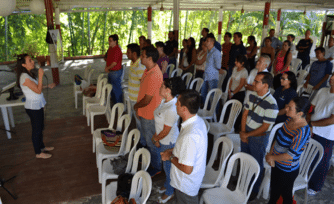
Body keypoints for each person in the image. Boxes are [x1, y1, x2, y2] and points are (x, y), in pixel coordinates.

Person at [161, 90, 207, 204]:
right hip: (185, 183)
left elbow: (187, 169)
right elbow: (189, 149)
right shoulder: (197, 121)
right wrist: (172, 150)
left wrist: (169, 156)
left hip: (185, 186)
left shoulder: (190, 135)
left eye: (178, 103)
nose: (175, 104)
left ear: (184, 109)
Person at [240, 72, 279, 200]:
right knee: (245, 159)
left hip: (258, 137)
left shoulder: (272, 104)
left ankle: (254, 190)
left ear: (265, 85)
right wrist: (242, 131)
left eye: (257, 82)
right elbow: (245, 114)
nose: (253, 83)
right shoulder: (252, 95)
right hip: (247, 133)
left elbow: (265, 127)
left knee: (256, 163)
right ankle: (243, 184)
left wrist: (246, 134)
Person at [266, 97, 311, 204]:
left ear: (299, 113)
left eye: (290, 108)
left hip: (287, 170)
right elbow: (278, 138)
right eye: (287, 106)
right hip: (276, 164)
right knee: (274, 193)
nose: (286, 109)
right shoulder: (289, 120)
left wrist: (271, 157)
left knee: (286, 197)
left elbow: (290, 155)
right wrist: (271, 154)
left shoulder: (302, 131)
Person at [152, 77, 186, 203]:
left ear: (168, 90)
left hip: (169, 142)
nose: (159, 87)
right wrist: (156, 137)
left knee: (169, 168)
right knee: (166, 167)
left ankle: (170, 192)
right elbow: (160, 124)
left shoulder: (172, 107)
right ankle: (167, 185)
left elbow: (166, 130)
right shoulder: (165, 101)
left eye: (162, 86)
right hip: (162, 140)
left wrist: (155, 138)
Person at [16, 54, 56, 159]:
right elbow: (38, 91)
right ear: (24, 64)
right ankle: (38, 153)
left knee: (40, 127)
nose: (33, 62)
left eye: (32, 60)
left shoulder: (29, 74)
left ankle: (42, 147)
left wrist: (47, 85)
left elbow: (36, 86)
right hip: (33, 108)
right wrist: (41, 76)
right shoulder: (24, 77)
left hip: (38, 105)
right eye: (30, 61)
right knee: (36, 130)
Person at [134, 46, 163, 175]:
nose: (141, 57)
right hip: (145, 112)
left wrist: (136, 107)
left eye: (143, 55)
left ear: (149, 58)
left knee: (153, 142)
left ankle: (157, 167)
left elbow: (147, 99)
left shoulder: (154, 75)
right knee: (149, 139)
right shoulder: (148, 70)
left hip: (150, 114)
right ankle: (152, 161)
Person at [307, 72, 334, 195]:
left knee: (322, 161)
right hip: (312, 129)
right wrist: (308, 120)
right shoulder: (323, 90)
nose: (331, 78)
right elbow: (311, 107)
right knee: (309, 156)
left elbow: (331, 120)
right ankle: (306, 176)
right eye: (332, 76)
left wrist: (313, 124)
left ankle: (315, 186)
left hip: (327, 134)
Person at [126, 43, 146, 129]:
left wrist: (139, 102)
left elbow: (144, 85)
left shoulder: (139, 66)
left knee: (139, 122)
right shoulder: (133, 63)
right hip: (133, 97)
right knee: (137, 121)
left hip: (137, 99)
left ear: (134, 54)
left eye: (128, 52)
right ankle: (140, 139)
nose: (126, 54)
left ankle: (142, 141)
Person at [201, 33, 221, 104]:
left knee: (213, 96)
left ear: (212, 42)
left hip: (212, 77)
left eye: (207, 41)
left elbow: (218, 66)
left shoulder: (216, 52)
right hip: (206, 76)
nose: (206, 42)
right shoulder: (208, 52)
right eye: (206, 41)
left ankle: (214, 113)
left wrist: (211, 69)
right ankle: (206, 110)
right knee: (203, 94)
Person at [105, 34, 123, 104]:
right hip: (111, 71)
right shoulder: (110, 48)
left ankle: (119, 106)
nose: (109, 42)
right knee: (111, 89)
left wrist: (107, 68)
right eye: (109, 41)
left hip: (115, 72)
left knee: (116, 90)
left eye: (110, 41)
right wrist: (107, 67)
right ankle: (115, 104)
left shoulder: (117, 49)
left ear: (115, 41)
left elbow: (114, 63)